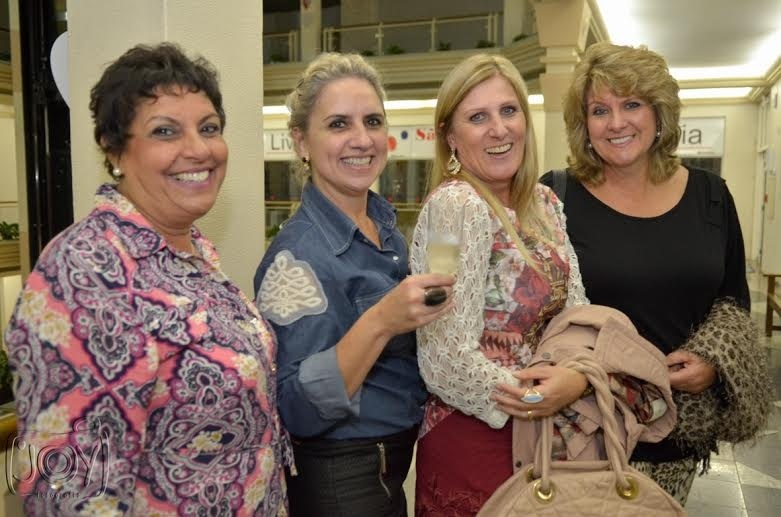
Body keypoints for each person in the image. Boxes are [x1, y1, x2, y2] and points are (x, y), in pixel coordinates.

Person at [4, 43, 290, 515]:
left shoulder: (190, 251)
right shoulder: (86, 273)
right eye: (165, 131)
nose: (199, 149)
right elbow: (71, 492)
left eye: (209, 128)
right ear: (114, 148)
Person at [540, 41, 771, 506]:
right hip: (585, 427)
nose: (616, 122)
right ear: (584, 125)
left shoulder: (710, 195)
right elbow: (532, 309)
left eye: (632, 104)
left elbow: (732, 300)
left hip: (677, 432)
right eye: (600, 110)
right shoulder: (556, 196)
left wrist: (713, 364)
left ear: (659, 113)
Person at [253, 52, 454, 516]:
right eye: (339, 124)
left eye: (373, 121)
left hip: (388, 467)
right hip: (342, 479)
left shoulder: (384, 228)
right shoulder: (296, 258)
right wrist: (381, 321)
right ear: (301, 142)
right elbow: (297, 409)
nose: (362, 139)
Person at [408, 53, 595, 515]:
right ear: (451, 137)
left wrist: (575, 377)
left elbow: (578, 314)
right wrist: (535, 397)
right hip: (477, 441)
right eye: (478, 117)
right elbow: (444, 358)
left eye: (509, 111)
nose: (499, 129)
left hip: (547, 435)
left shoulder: (545, 203)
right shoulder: (453, 209)